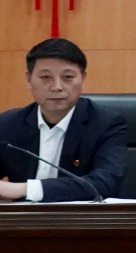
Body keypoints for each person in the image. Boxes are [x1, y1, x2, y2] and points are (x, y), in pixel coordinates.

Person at [0, 38, 127, 202]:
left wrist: (23, 189)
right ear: (29, 80)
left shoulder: (106, 124)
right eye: (45, 77)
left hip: (78, 217)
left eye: (68, 77)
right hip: (22, 217)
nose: (57, 87)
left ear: (83, 79)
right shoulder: (8, 124)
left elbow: (105, 184)